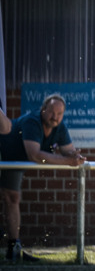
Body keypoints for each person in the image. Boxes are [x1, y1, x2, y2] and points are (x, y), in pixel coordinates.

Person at [0, 94, 86, 262]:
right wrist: (68, 161)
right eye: (52, 112)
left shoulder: (60, 127)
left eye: (59, 114)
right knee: (10, 197)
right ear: (43, 110)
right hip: (5, 152)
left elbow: (69, 151)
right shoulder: (32, 121)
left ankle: (14, 248)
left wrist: (76, 157)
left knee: (12, 198)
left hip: (15, 161)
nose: (55, 117)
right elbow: (35, 155)